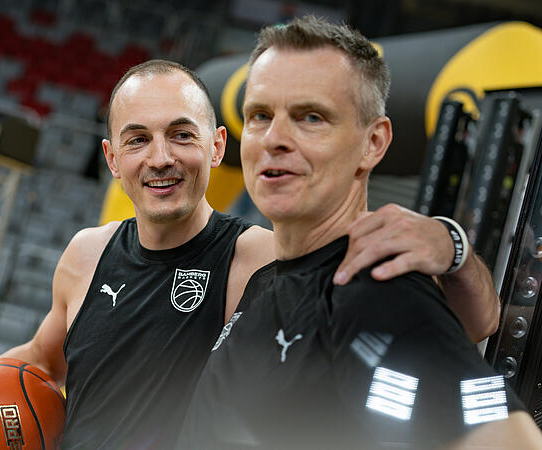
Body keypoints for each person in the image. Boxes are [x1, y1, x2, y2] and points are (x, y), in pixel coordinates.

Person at [0, 61, 500, 449]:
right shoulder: (87, 252)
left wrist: (451, 245)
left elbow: (477, 322)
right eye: (138, 140)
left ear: (216, 147)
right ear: (113, 159)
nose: (160, 157)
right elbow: (40, 359)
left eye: (181, 134)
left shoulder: (262, 257)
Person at [177, 16, 542, 449]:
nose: (273, 138)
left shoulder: (371, 290)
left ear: (373, 143)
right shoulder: (269, 278)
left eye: (310, 117)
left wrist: (452, 247)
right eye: (260, 115)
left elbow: (512, 440)